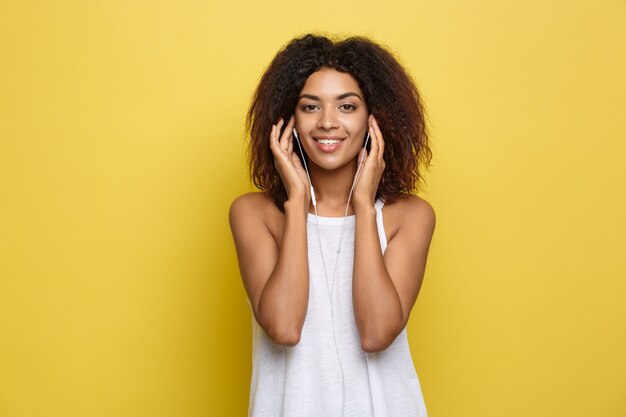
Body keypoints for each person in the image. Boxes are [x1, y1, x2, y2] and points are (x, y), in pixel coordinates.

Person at [229, 33, 436, 417]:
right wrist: (296, 202)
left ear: (375, 119)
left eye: (347, 106)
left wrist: (363, 205)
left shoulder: (409, 216)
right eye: (310, 107)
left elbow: (376, 333)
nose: (327, 123)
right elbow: (284, 327)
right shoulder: (254, 214)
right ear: (287, 121)